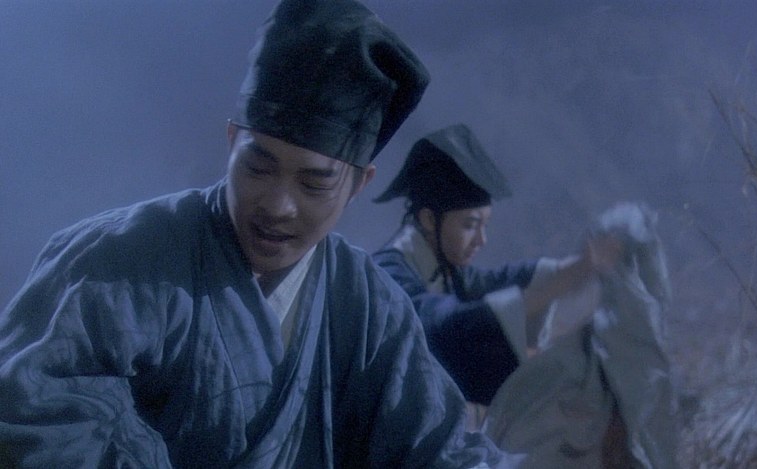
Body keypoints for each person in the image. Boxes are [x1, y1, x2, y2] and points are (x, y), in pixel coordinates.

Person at [0, 3, 509, 468]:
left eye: (314, 183)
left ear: (358, 184)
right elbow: (32, 418)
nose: (277, 206)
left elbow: (437, 448)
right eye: (258, 167)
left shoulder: (370, 306)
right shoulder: (117, 259)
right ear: (232, 142)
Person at [372, 123, 680, 468]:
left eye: (484, 225)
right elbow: (449, 323)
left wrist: (579, 266)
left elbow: (498, 281)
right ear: (429, 219)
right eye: (470, 225)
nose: (481, 240)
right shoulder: (388, 276)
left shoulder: (443, 267)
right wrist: (569, 277)